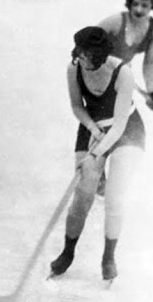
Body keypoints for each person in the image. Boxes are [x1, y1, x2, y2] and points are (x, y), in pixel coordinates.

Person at [50, 27, 145, 282]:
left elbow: (120, 124)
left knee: (114, 197)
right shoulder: (74, 69)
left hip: (126, 131)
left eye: (86, 54)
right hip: (92, 126)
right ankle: (68, 253)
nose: (80, 58)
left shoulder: (122, 72)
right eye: (78, 52)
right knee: (83, 195)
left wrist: (98, 153)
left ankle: (108, 257)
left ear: (100, 55)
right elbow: (75, 105)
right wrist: (92, 129)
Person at [99, 0, 153, 112]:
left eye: (145, 5)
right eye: (135, 4)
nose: (139, 10)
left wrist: (152, 93)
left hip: (120, 78)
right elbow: (85, 40)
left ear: (152, 6)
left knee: (135, 128)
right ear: (129, 3)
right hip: (97, 74)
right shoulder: (115, 22)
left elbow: (149, 63)